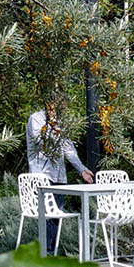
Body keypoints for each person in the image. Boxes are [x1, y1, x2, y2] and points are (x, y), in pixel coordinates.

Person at [26, 97, 93, 256]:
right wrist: (56, 126)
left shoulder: (61, 123)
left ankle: (51, 254)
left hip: (58, 177)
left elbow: (68, 149)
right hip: (41, 176)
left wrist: (81, 169)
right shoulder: (35, 119)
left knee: (56, 218)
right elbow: (40, 139)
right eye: (58, 105)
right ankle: (45, 255)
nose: (61, 108)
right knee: (47, 217)